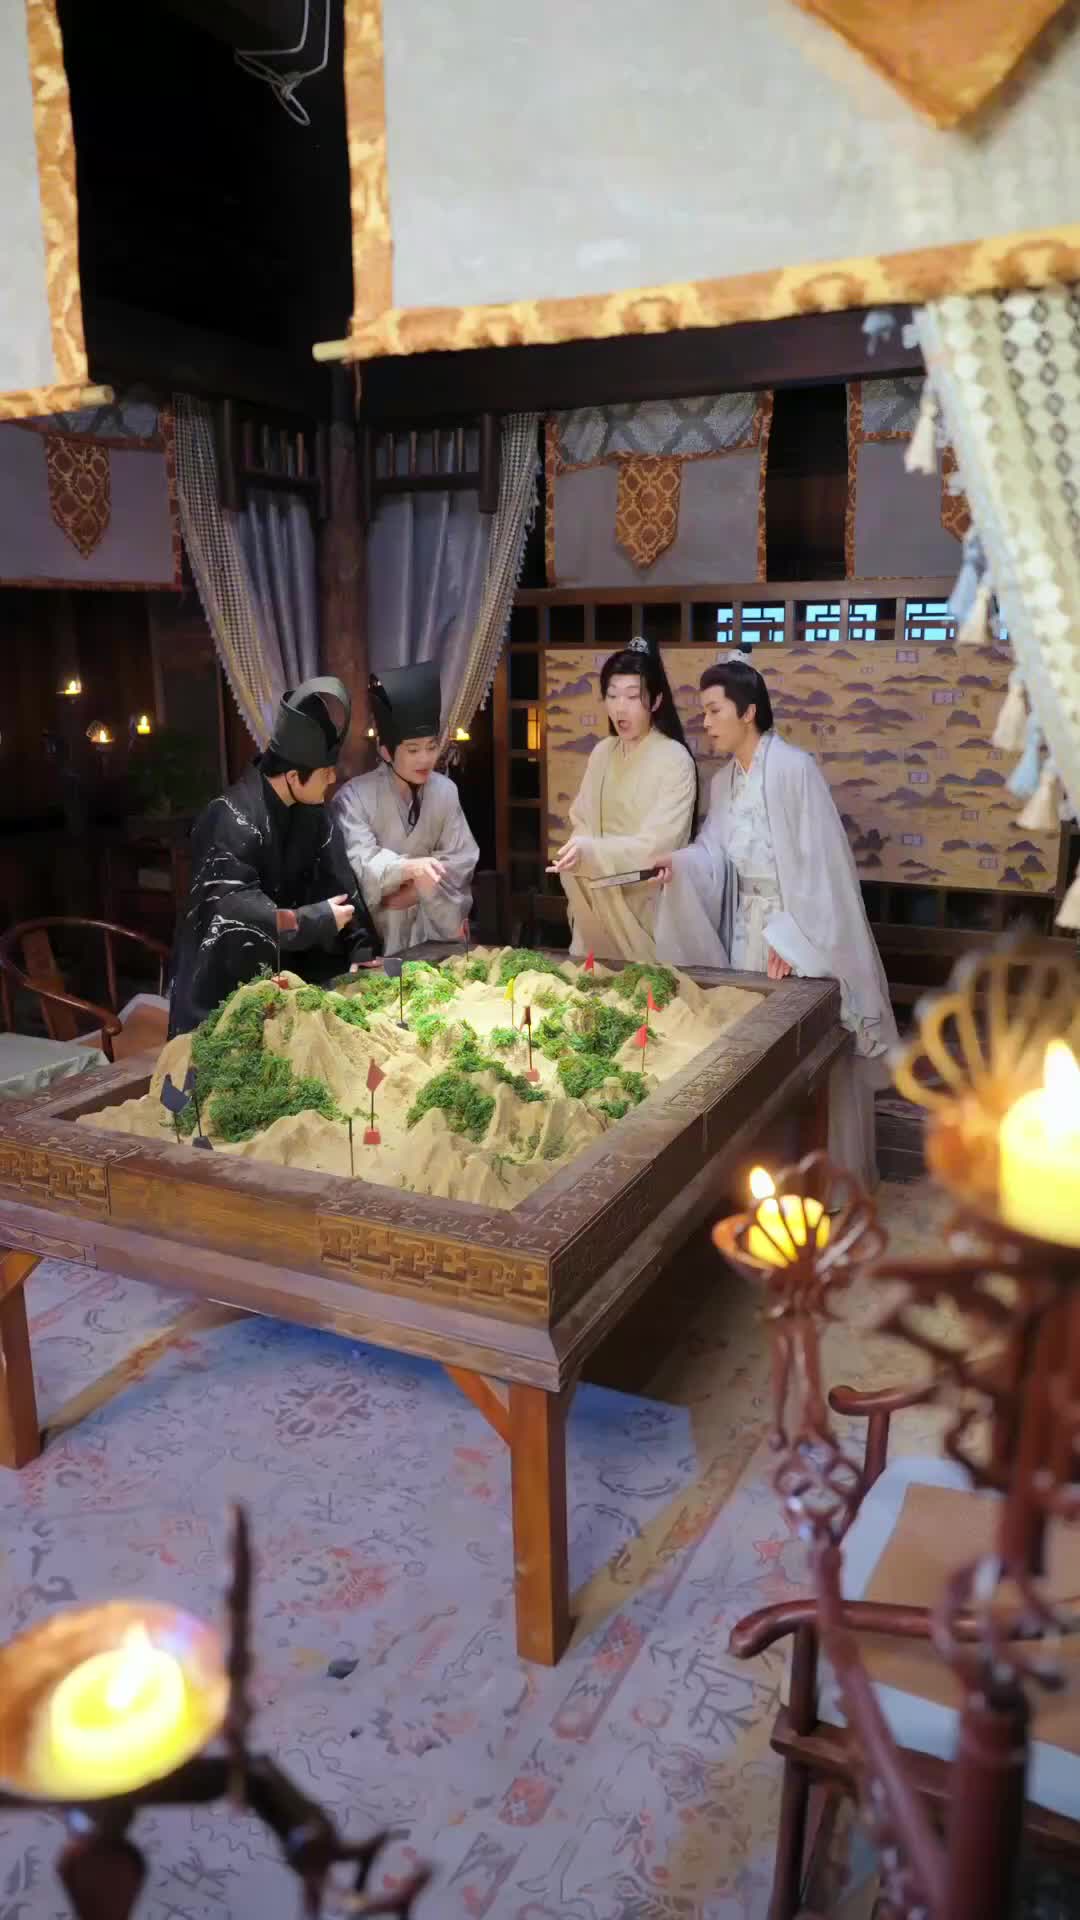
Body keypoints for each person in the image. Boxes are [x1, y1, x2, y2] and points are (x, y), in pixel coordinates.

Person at [653, 657, 897, 1189]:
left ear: (748, 712)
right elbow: (714, 852)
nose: (706, 723)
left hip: (796, 937)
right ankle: (763, 1183)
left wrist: (793, 937)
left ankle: (817, 1182)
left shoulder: (793, 769)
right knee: (753, 1061)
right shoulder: (724, 782)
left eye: (714, 710)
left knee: (806, 1061)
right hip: (746, 932)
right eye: (703, 712)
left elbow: (821, 866)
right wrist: (681, 863)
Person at [167, 677, 379, 1038]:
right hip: (223, 986)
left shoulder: (313, 813)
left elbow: (338, 880)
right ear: (294, 776)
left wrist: (360, 946)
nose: (333, 779)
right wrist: (315, 919)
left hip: (287, 975)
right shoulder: (229, 816)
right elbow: (238, 910)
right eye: (326, 772)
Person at [550, 637, 697, 963]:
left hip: (644, 904)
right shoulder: (603, 752)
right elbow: (582, 818)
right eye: (612, 695)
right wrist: (579, 850)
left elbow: (660, 844)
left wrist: (593, 852)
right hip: (598, 901)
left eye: (632, 696)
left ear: (656, 701)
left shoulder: (675, 759)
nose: (620, 707)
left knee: (646, 989)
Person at [333, 663, 479, 954]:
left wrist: (416, 890)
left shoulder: (445, 792)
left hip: (434, 931)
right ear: (386, 751)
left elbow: (461, 858)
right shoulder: (353, 797)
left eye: (431, 746)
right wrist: (408, 869)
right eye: (413, 750)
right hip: (380, 935)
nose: (425, 758)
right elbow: (360, 863)